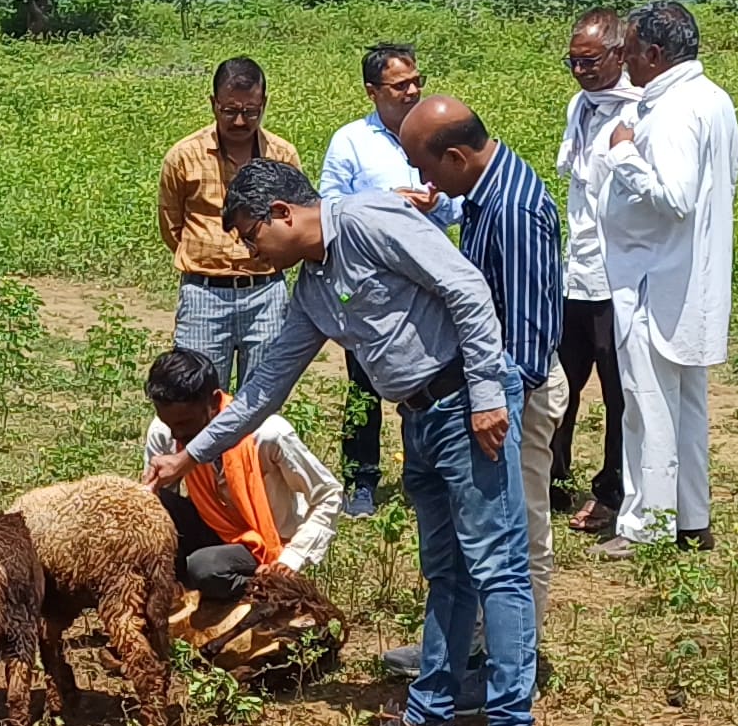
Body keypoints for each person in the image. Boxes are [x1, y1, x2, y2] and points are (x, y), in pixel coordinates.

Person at [154, 159, 545, 726]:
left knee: (496, 565)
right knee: (446, 569)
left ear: (282, 213)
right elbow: (262, 389)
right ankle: (432, 713)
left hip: (466, 406)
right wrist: (189, 457)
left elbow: (466, 288)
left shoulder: (368, 218)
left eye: (252, 235)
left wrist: (485, 394)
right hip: (419, 417)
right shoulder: (312, 288)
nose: (251, 252)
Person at [397, 95, 566, 636]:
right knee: (483, 530)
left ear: (456, 157)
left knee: (516, 532)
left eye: (425, 168)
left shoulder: (512, 210)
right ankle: (476, 646)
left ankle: (512, 655)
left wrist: (498, 404)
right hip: (496, 388)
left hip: (516, 394)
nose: (423, 180)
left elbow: (527, 333)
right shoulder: (486, 190)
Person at [588, 0, 736, 555]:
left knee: (647, 406)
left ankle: (645, 526)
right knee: (686, 407)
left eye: (629, 51)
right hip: (690, 277)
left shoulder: (674, 109)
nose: (624, 62)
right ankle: (690, 519)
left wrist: (623, 155)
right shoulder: (712, 99)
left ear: (653, 53)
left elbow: (675, 196)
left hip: (656, 280)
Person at [314, 42, 456, 519]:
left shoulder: (436, 132)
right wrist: (387, 202)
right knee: (364, 382)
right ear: (372, 91)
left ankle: (425, 473)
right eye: (400, 86)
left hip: (427, 281)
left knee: (428, 378)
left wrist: (439, 204)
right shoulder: (351, 141)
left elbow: (460, 199)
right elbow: (328, 206)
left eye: (416, 82)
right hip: (373, 288)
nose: (412, 92)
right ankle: (361, 481)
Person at [140, 346, 340, 605]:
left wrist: (292, 558)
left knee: (205, 569)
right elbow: (156, 508)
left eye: (185, 424)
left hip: (265, 540)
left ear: (214, 402)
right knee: (154, 506)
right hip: (211, 526)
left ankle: (274, 586)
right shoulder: (163, 432)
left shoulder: (267, 434)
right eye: (169, 424)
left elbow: (328, 494)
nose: (176, 435)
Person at [153, 57, 303, 387]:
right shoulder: (183, 156)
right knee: (197, 394)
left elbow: (298, 222)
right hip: (203, 295)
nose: (239, 121)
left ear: (264, 104)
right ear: (213, 103)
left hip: (266, 295)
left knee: (263, 396)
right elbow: (172, 225)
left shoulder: (282, 156)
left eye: (250, 111)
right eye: (229, 111)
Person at [552, 11, 633, 533]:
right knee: (560, 382)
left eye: (590, 61)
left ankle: (612, 491)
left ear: (619, 55)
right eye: (573, 62)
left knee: (617, 392)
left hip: (616, 274)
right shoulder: (579, 106)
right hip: (575, 270)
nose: (580, 71)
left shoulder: (637, 111)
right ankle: (553, 479)